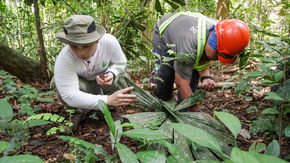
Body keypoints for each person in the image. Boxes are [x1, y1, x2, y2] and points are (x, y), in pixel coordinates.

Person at [151, 12, 250, 111]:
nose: (217, 59)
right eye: (217, 56)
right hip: (165, 33)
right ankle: (164, 108)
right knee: (166, 75)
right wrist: (198, 113)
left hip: (187, 38)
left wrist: (205, 77)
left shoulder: (223, 32)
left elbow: (203, 53)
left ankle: (182, 113)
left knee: (192, 81)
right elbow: (181, 83)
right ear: (214, 44)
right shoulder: (189, 45)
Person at [53, 15, 136, 128]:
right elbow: (70, 95)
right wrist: (107, 100)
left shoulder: (109, 42)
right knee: (58, 82)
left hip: (104, 84)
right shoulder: (64, 59)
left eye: (86, 46)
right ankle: (76, 111)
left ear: (97, 40)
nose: (81, 53)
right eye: (74, 46)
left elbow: (120, 62)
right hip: (83, 86)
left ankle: (110, 109)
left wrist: (112, 73)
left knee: (123, 76)